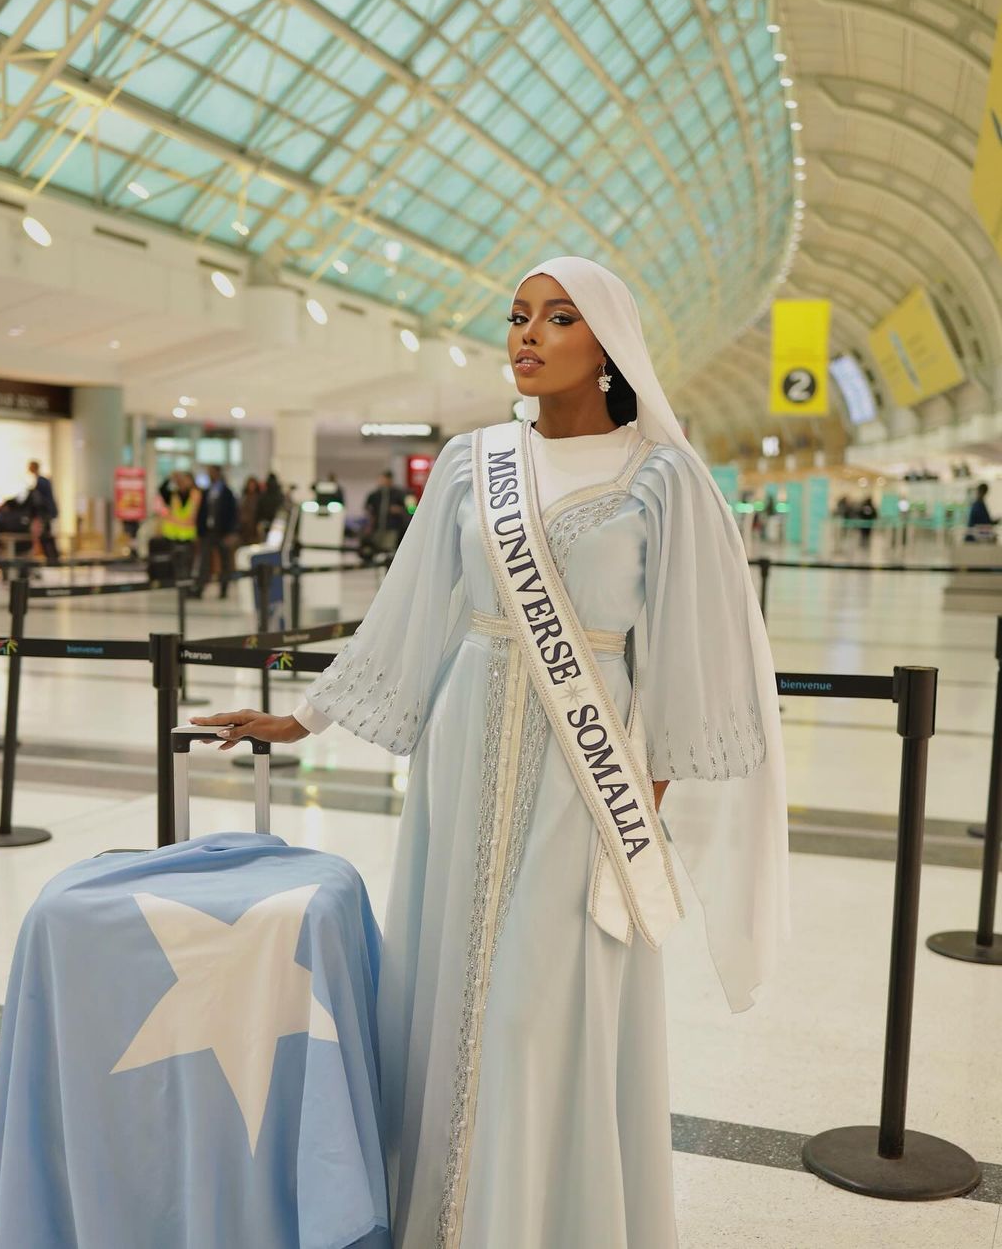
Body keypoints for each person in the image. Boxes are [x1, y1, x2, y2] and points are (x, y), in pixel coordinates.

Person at [194, 255, 789, 1249]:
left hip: (585, 780)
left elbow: (687, 659)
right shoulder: (473, 464)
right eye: (518, 316)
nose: (528, 335)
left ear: (609, 345)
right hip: (464, 755)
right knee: (450, 990)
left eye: (558, 318)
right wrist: (303, 718)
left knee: (535, 1011)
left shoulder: (663, 477)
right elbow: (408, 614)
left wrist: (635, 811)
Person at [193, 464, 237, 598]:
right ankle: (200, 588)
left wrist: (230, 532)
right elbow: (201, 513)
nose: (210, 475)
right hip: (208, 532)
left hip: (222, 532)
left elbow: (233, 513)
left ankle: (224, 589)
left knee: (225, 562)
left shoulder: (227, 493)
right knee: (204, 561)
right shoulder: (206, 492)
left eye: (211, 472)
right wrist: (199, 531)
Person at [158, 471, 201, 576]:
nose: (183, 483)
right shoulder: (173, 495)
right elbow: (161, 489)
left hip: (188, 537)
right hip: (173, 536)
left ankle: (186, 581)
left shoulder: (196, 495)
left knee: (188, 562)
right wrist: (170, 478)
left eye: (185, 480)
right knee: (175, 563)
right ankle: (177, 581)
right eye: (181, 480)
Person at [364, 469, 408, 554]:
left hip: (392, 528)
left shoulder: (400, 493)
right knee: (376, 548)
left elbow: (411, 508)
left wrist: (400, 509)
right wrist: (369, 522)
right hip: (377, 527)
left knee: (388, 549)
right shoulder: (374, 495)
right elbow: (368, 509)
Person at [27, 461, 59, 564]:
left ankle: (52, 558)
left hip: (45, 513)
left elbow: (41, 500)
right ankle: (51, 557)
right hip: (46, 513)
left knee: (46, 535)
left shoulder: (41, 482)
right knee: (45, 534)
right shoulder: (42, 481)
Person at [256, 472, 284, 537]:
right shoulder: (280, 495)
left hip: (265, 521)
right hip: (276, 523)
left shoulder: (264, 495)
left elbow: (259, 510)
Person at [237, 476, 262, 545]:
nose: (251, 487)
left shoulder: (258, 498)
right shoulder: (244, 497)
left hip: (253, 527)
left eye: (253, 485)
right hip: (243, 527)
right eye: (250, 485)